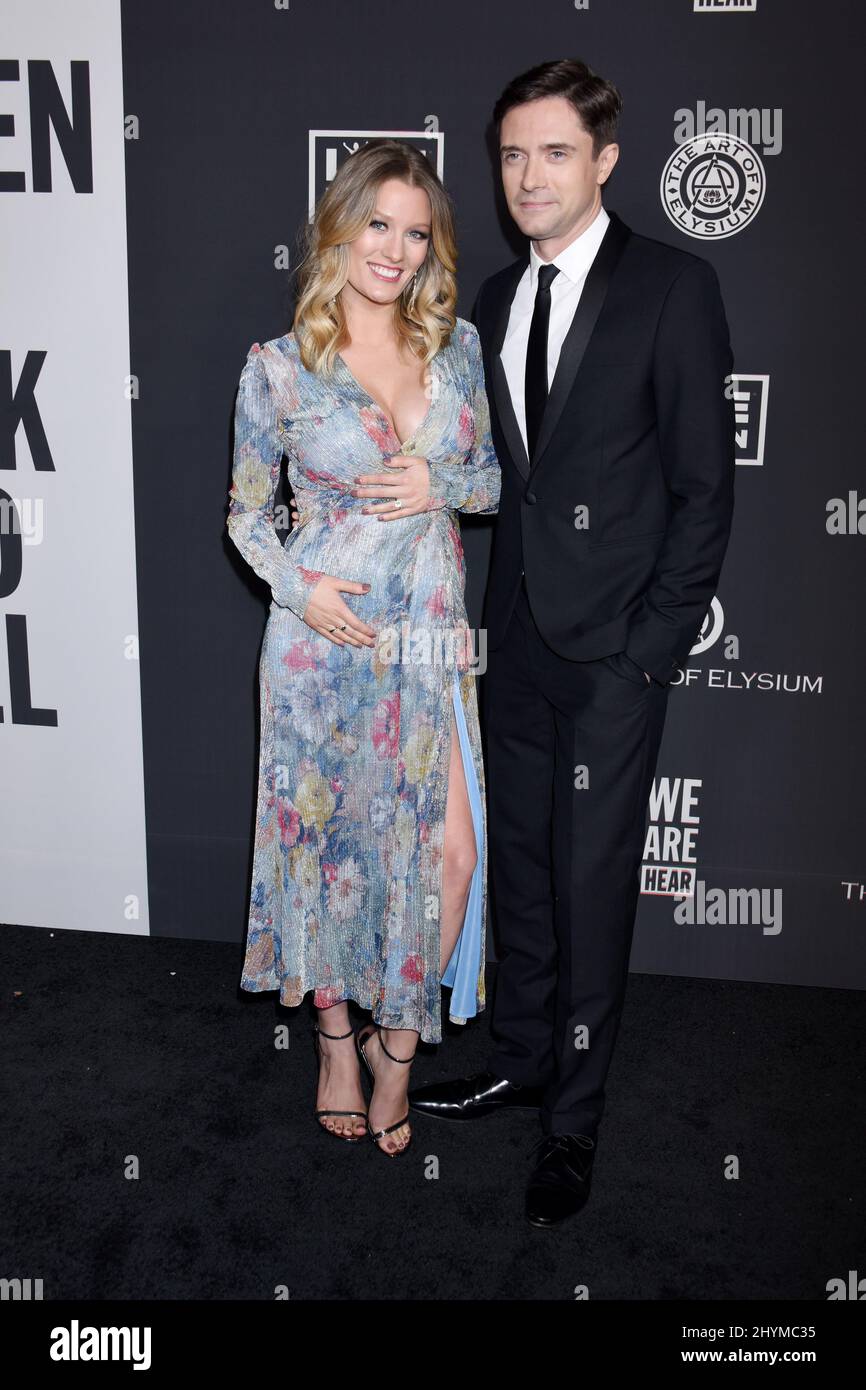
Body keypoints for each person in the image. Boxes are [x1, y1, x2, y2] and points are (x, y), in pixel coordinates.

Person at [408, 59, 736, 1225]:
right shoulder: (492, 301)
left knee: (592, 886)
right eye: (509, 155)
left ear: (603, 160)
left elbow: (705, 489)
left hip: (613, 654)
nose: (526, 176)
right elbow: (508, 481)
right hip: (515, 640)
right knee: (529, 878)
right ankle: (521, 1056)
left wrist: (650, 648)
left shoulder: (671, 288)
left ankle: (574, 1118)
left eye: (552, 152)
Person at [227, 140, 500, 1157]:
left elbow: (492, 483)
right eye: (376, 224)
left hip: (429, 642)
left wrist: (443, 485)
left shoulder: (458, 346)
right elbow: (248, 517)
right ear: (338, 229)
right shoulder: (277, 367)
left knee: (450, 860)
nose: (394, 248)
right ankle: (338, 1041)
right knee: (326, 857)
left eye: (414, 231)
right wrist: (301, 587)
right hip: (318, 647)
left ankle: (400, 1044)